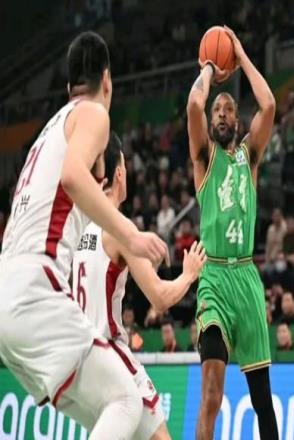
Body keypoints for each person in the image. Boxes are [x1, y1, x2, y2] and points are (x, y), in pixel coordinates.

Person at [0, 31, 168, 439]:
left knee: (115, 418)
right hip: (37, 288)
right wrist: (130, 235)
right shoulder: (93, 113)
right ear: (107, 79)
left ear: (67, 86)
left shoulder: (48, 132)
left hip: (9, 295)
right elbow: (73, 177)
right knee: (126, 399)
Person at [72, 133, 205, 438]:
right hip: (110, 355)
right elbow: (160, 298)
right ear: (119, 173)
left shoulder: (80, 228)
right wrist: (188, 274)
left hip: (80, 359)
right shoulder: (119, 229)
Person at [186, 26, 278, 439]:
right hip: (214, 281)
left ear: (237, 121)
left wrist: (239, 53)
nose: (221, 113)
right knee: (211, 395)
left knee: (262, 400)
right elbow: (194, 103)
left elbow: (269, 103)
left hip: (247, 278)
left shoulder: (249, 157)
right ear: (211, 122)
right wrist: (210, 66)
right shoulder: (204, 159)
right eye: (217, 110)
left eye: (228, 109)